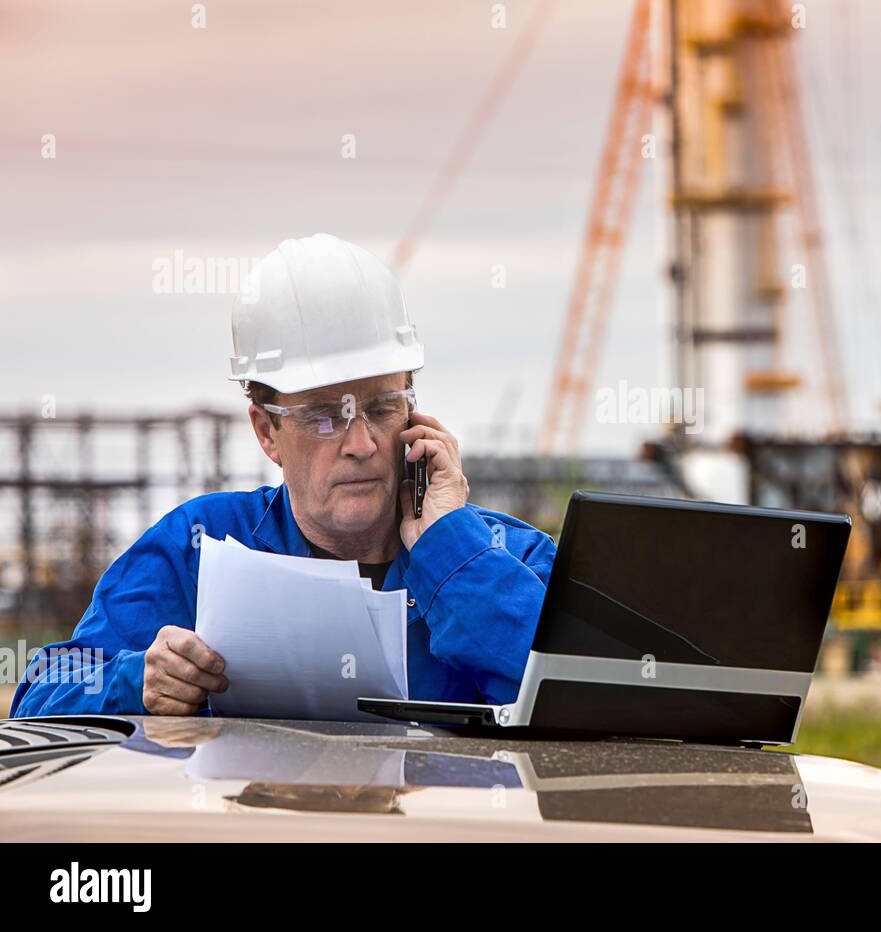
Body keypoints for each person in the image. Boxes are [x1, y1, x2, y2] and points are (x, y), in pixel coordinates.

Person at [11, 234, 555, 717]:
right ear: (266, 431)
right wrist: (138, 683)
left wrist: (451, 555)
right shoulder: (198, 548)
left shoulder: (504, 557)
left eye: (382, 407)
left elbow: (586, 696)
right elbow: (40, 692)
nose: (361, 444)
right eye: (324, 417)